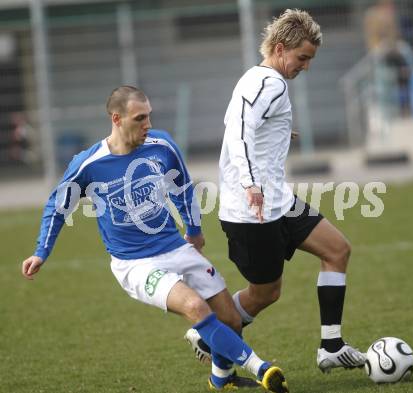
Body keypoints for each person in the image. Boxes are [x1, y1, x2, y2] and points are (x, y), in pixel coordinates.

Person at [21, 86, 289, 393]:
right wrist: (41, 251)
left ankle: (221, 380)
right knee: (195, 307)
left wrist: (194, 229)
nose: (148, 124)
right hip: (135, 265)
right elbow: (57, 206)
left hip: (175, 246)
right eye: (140, 118)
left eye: (149, 116)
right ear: (117, 119)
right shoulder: (89, 164)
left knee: (230, 319)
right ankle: (262, 368)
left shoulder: (162, 145)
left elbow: (183, 188)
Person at [185, 9, 366, 373]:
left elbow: (252, 127)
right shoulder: (270, 83)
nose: (306, 66)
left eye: (310, 59)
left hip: (278, 203)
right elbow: (238, 131)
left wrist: (282, 133)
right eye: (302, 58)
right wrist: (251, 183)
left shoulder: (261, 80)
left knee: (337, 249)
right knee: (266, 293)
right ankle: (208, 333)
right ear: (281, 49)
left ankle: (331, 345)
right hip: (252, 211)